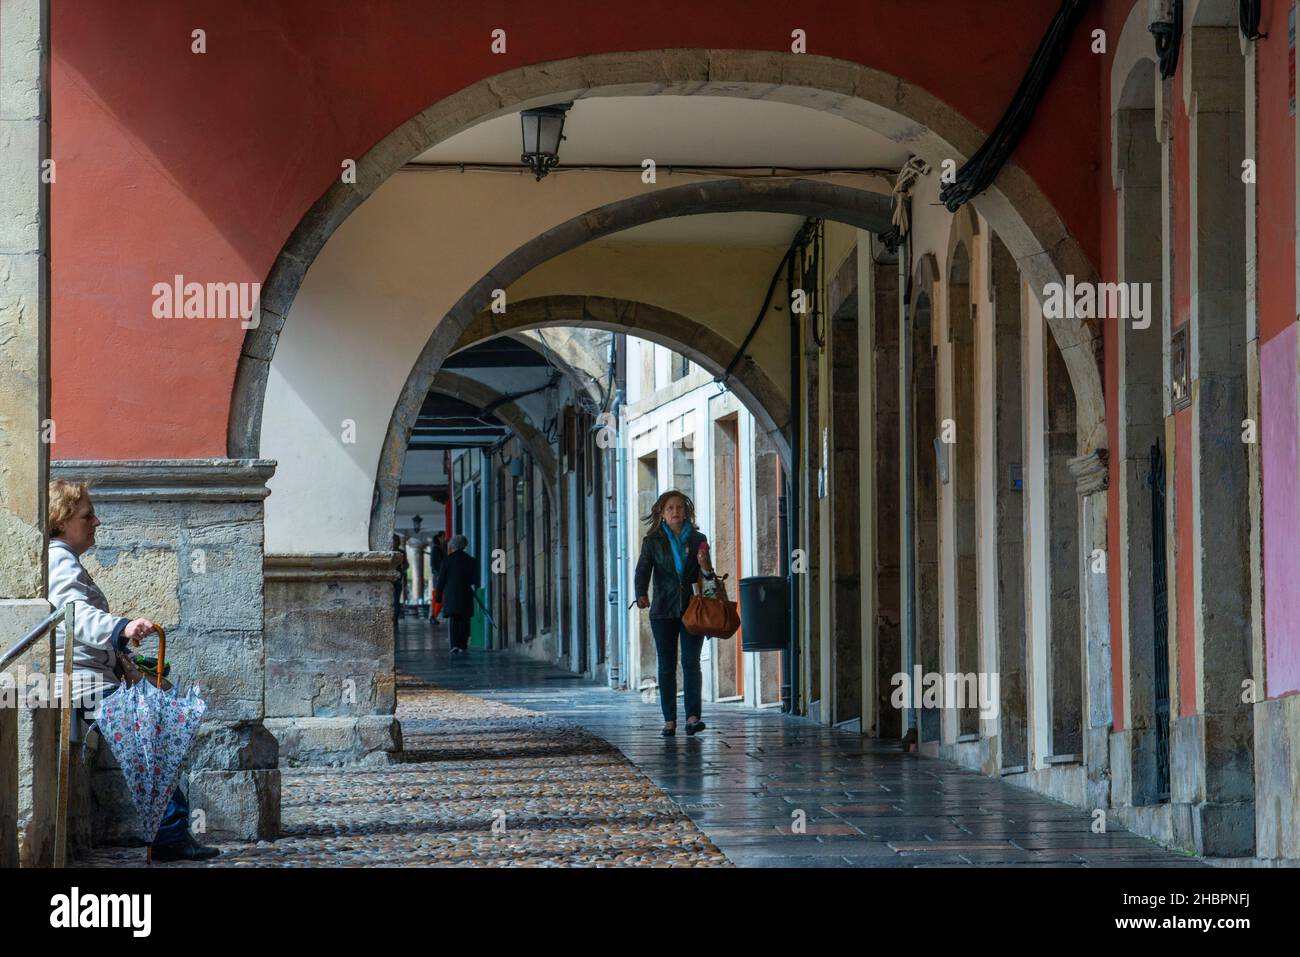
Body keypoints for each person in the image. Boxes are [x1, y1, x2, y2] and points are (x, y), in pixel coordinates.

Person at [46, 480, 220, 862]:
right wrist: (120, 627)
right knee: (154, 727)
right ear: (60, 521)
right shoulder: (57, 557)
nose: (96, 521)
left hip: (90, 680)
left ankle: (169, 832)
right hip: (81, 686)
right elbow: (74, 615)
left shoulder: (63, 558)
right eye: (87, 515)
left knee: (157, 722)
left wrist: (121, 656)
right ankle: (171, 834)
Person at [633, 489, 715, 737]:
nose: (675, 512)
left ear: (686, 511)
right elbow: (642, 570)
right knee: (666, 666)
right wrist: (641, 593)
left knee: (691, 663)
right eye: (670, 508)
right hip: (663, 610)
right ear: (662, 513)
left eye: (679, 507)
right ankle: (669, 720)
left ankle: (692, 717)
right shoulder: (653, 541)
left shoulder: (698, 539)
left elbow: (709, 578)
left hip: (693, 609)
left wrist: (705, 565)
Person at [434, 534, 479, 654]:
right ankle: (463, 645)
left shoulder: (447, 561)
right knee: (464, 620)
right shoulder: (471, 560)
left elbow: (441, 581)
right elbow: (475, 580)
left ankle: (454, 645)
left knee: (454, 620)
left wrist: (438, 598)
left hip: (452, 595)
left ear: (452, 545)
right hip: (465, 594)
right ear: (465, 545)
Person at [429, 531, 447, 623]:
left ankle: (434, 616)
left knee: (438, 596)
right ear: (439, 538)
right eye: (443, 537)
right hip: (439, 577)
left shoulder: (438, 549)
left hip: (438, 576)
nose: (444, 539)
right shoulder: (436, 549)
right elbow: (437, 565)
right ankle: (433, 616)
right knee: (439, 596)